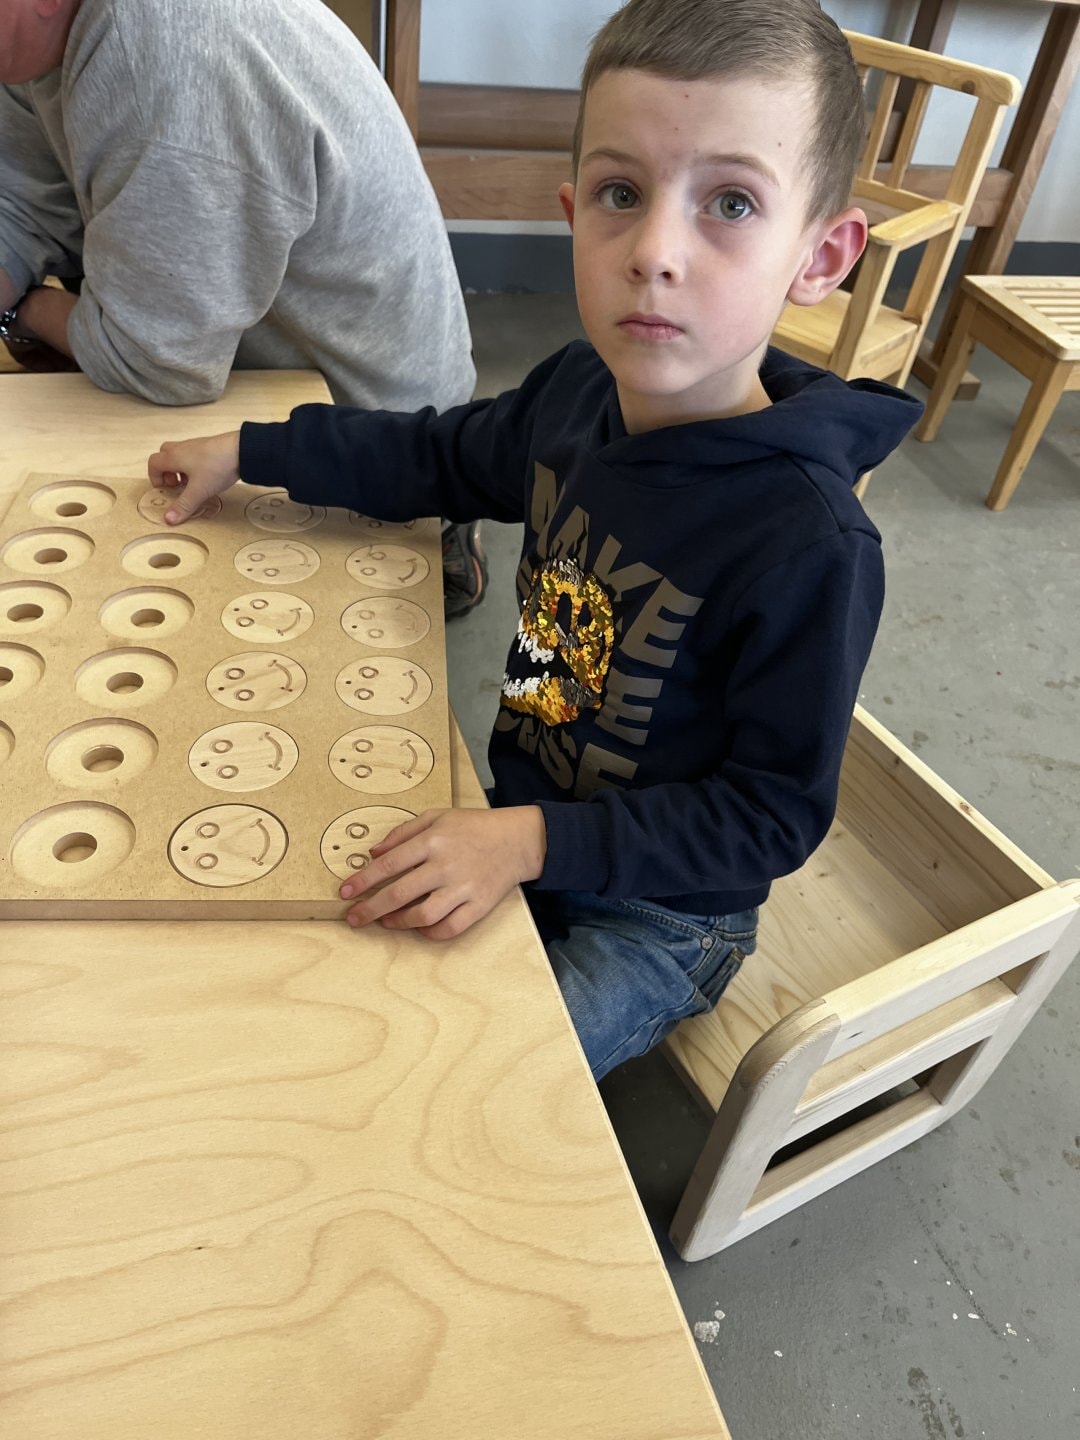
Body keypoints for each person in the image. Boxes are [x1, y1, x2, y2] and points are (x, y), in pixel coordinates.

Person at [147, 0, 922, 1080]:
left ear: (820, 255)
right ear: (573, 214)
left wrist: (530, 844)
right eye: (621, 194)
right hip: (519, 817)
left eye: (731, 203)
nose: (654, 252)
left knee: (471, 1084)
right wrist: (255, 449)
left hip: (657, 915)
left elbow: (766, 819)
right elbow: (439, 455)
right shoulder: (577, 393)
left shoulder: (811, 542)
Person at [0, 0, 485, 618]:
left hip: (377, 422)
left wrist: (25, 311)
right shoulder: (32, 40)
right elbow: (29, 203)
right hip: (233, 341)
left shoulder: (163, 59)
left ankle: (437, 523)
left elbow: (157, 362)